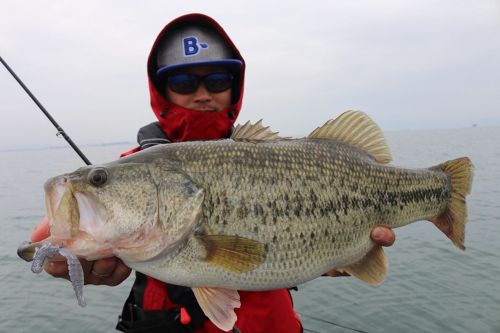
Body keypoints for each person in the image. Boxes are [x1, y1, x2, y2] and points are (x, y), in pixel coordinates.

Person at [31, 13, 396, 333]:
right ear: (162, 90)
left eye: (218, 79)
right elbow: (44, 241)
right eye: (185, 82)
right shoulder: (136, 164)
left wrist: (339, 253)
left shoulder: (279, 157)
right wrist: (56, 258)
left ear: (235, 86)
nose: (203, 94)